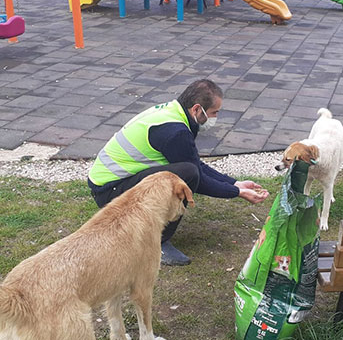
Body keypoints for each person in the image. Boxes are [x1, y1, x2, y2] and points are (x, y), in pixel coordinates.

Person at [88, 79, 270, 266]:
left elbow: (194, 163)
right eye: (214, 112)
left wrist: (234, 183)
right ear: (197, 109)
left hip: (110, 183)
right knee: (185, 176)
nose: (216, 117)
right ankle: (155, 243)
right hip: (109, 192)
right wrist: (237, 193)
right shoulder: (176, 132)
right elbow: (196, 177)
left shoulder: (174, 113)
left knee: (188, 171)